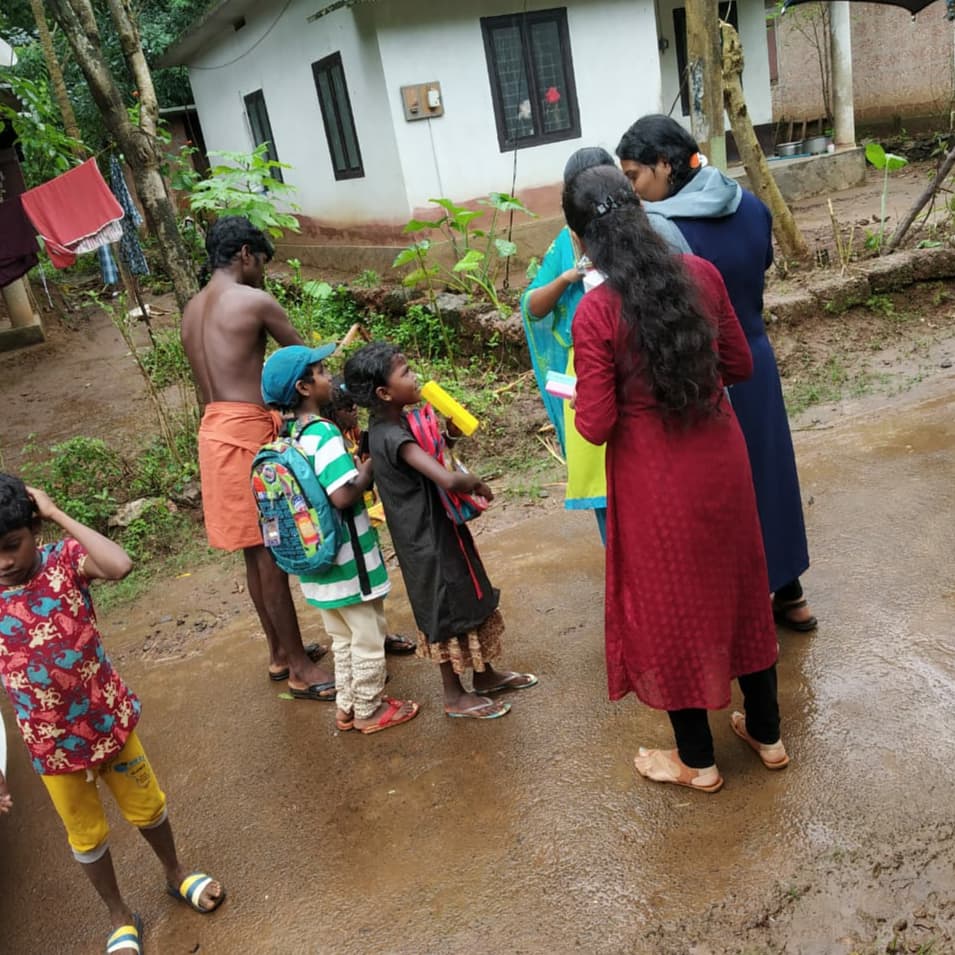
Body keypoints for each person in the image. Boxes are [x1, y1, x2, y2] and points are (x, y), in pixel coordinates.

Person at [565, 166, 788, 793]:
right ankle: (768, 736)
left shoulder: (597, 312)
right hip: (721, 461)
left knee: (670, 606)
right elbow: (738, 364)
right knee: (741, 588)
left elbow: (596, 425)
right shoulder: (703, 276)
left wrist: (583, 395)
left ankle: (698, 761)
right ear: (640, 214)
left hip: (654, 479)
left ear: (582, 237)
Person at [0, 474, 224, 955]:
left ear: (35, 530)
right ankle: (118, 914)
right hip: (52, 747)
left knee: (149, 807)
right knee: (85, 836)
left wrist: (55, 512)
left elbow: (120, 565)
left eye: (12, 545)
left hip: (109, 724)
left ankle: (176, 873)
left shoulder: (65, 561)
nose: (4, 561)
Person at [617, 115, 816, 632]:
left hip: (704, 373)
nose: (633, 190)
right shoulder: (750, 205)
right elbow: (761, 265)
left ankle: (741, 612)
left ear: (665, 165)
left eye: (635, 176)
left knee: (721, 490)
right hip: (756, 358)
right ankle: (791, 594)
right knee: (771, 473)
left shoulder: (662, 229)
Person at [181, 216, 334, 699]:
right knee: (272, 548)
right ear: (245, 254)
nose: (263, 272)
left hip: (213, 430)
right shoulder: (254, 301)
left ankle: (280, 653)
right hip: (247, 430)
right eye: (262, 261)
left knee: (255, 550)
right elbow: (305, 362)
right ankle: (300, 669)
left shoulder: (191, 309)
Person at [343, 342, 538, 719]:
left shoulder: (390, 425)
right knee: (445, 609)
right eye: (405, 373)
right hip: (426, 540)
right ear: (384, 393)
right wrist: (476, 483)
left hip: (438, 529)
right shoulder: (392, 436)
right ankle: (454, 695)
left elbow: (428, 452)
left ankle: (484, 676)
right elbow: (446, 479)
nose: (414, 376)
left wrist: (450, 434)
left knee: (466, 595)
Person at [260, 346, 419, 734]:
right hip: (349, 561)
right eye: (321, 372)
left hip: (316, 566)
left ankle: (347, 705)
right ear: (304, 388)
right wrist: (369, 466)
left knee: (342, 638)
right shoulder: (323, 433)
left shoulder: (288, 437)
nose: (329, 377)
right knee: (368, 635)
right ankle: (368, 709)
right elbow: (343, 495)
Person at [521, 147, 619, 543]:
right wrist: (567, 278)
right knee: (599, 476)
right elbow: (532, 306)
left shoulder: (635, 232)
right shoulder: (566, 241)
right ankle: (617, 560)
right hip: (585, 372)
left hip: (630, 362)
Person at [321, 376, 416, 656]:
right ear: (332, 411)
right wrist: (368, 468)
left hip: (363, 522)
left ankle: (380, 636)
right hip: (344, 533)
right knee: (358, 594)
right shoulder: (330, 441)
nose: (354, 412)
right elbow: (343, 492)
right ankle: (368, 654)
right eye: (347, 408)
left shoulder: (352, 433)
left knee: (372, 583)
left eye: (355, 406)